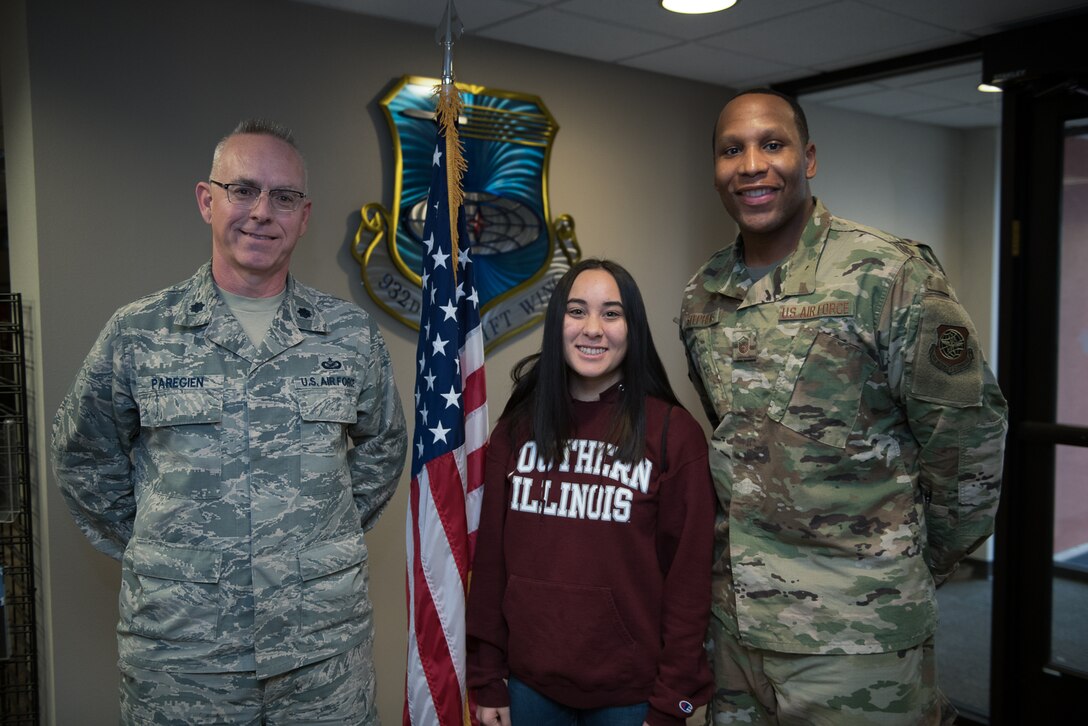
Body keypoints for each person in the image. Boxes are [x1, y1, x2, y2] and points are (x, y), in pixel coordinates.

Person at [51, 119, 407, 725]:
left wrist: (314, 538)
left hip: (319, 652)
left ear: (304, 214)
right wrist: (167, 549)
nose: (262, 212)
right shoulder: (139, 332)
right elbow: (84, 455)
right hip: (184, 653)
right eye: (243, 190)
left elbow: (382, 450)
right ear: (206, 200)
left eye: (283, 197)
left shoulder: (348, 335)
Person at [679, 89, 1008, 725]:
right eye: (731, 150)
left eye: (771, 144)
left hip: (856, 641)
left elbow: (970, 446)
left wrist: (904, 565)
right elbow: (732, 440)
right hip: (734, 633)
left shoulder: (889, 275)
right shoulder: (703, 295)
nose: (751, 164)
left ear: (808, 158)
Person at [466, 259, 715, 726]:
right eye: (577, 311)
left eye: (612, 314)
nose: (593, 329)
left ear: (632, 327)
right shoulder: (516, 429)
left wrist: (672, 701)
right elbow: (492, 566)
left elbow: (689, 583)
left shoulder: (673, 435)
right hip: (526, 687)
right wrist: (486, 675)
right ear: (556, 323)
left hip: (633, 695)